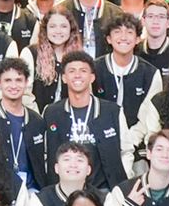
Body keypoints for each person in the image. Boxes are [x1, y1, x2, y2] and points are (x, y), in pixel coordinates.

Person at [40, 51, 131, 191]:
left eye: (83, 71)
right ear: (64, 78)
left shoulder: (112, 111)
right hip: (64, 190)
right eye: (71, 71)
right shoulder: (51, 112)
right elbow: (45, 154)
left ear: (92, 77)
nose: (77, 75)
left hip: (104, 191)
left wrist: (120, 185)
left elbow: (126, 151)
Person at [94, 12, 161, 127]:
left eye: (129, 32)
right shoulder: (94, 69)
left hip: (136, 141)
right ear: (109, 39)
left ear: (138, 39)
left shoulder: (151, 74)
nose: (123, 37)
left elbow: (148, 118)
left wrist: (130, 141)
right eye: (117, 32)